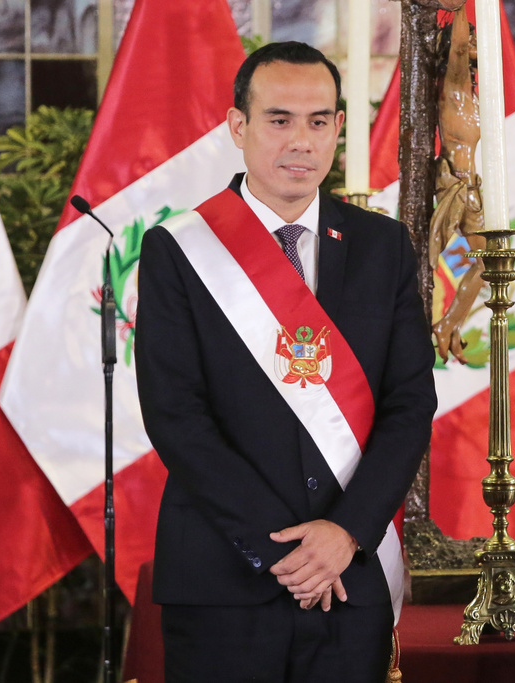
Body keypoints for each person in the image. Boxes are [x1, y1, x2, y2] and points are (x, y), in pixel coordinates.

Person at [135, 41, 436, 682]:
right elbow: (175, 416)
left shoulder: (383, 246)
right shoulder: (179, 249)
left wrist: (345, 533)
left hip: (348, 574)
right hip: (223, 575)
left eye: (319, 120)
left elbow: (411, 403)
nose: (301, 140)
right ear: (238, 126)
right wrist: (289, 548)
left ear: (338, 130)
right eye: (279, 120)